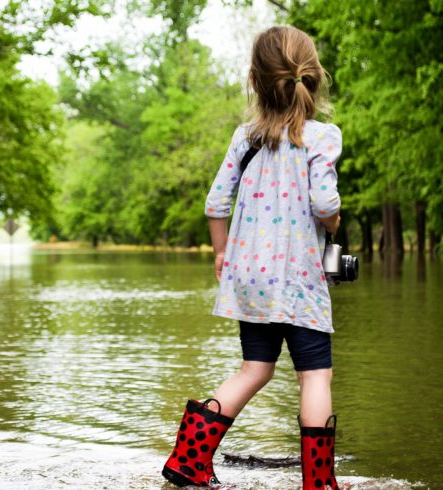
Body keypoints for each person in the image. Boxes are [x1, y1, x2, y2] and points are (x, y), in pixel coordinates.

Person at [161, 26, 344, 490]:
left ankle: (188, 460)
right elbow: (325, 204)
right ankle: (319, 483)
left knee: (254, 369)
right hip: (299, 280)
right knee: (315, 378)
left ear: (256, 80)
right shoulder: (321, 137)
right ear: (312, 77)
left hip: (251, 279)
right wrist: (334, 226)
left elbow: (215, 203)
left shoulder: (247, 138)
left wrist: (222, 252)